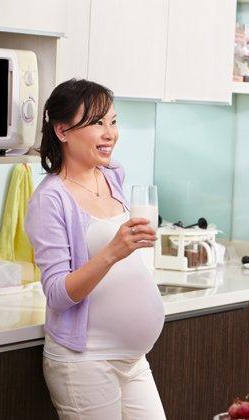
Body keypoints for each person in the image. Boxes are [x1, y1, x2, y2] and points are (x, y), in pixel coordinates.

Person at [25, 79, 166, 419]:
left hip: (133, 360)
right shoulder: (50, 199)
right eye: (96, 123)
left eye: (113, 122)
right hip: (85, 361)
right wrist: (114, 250)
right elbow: (58, 293)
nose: (109, 133)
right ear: (62, 130)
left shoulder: (112, 174)